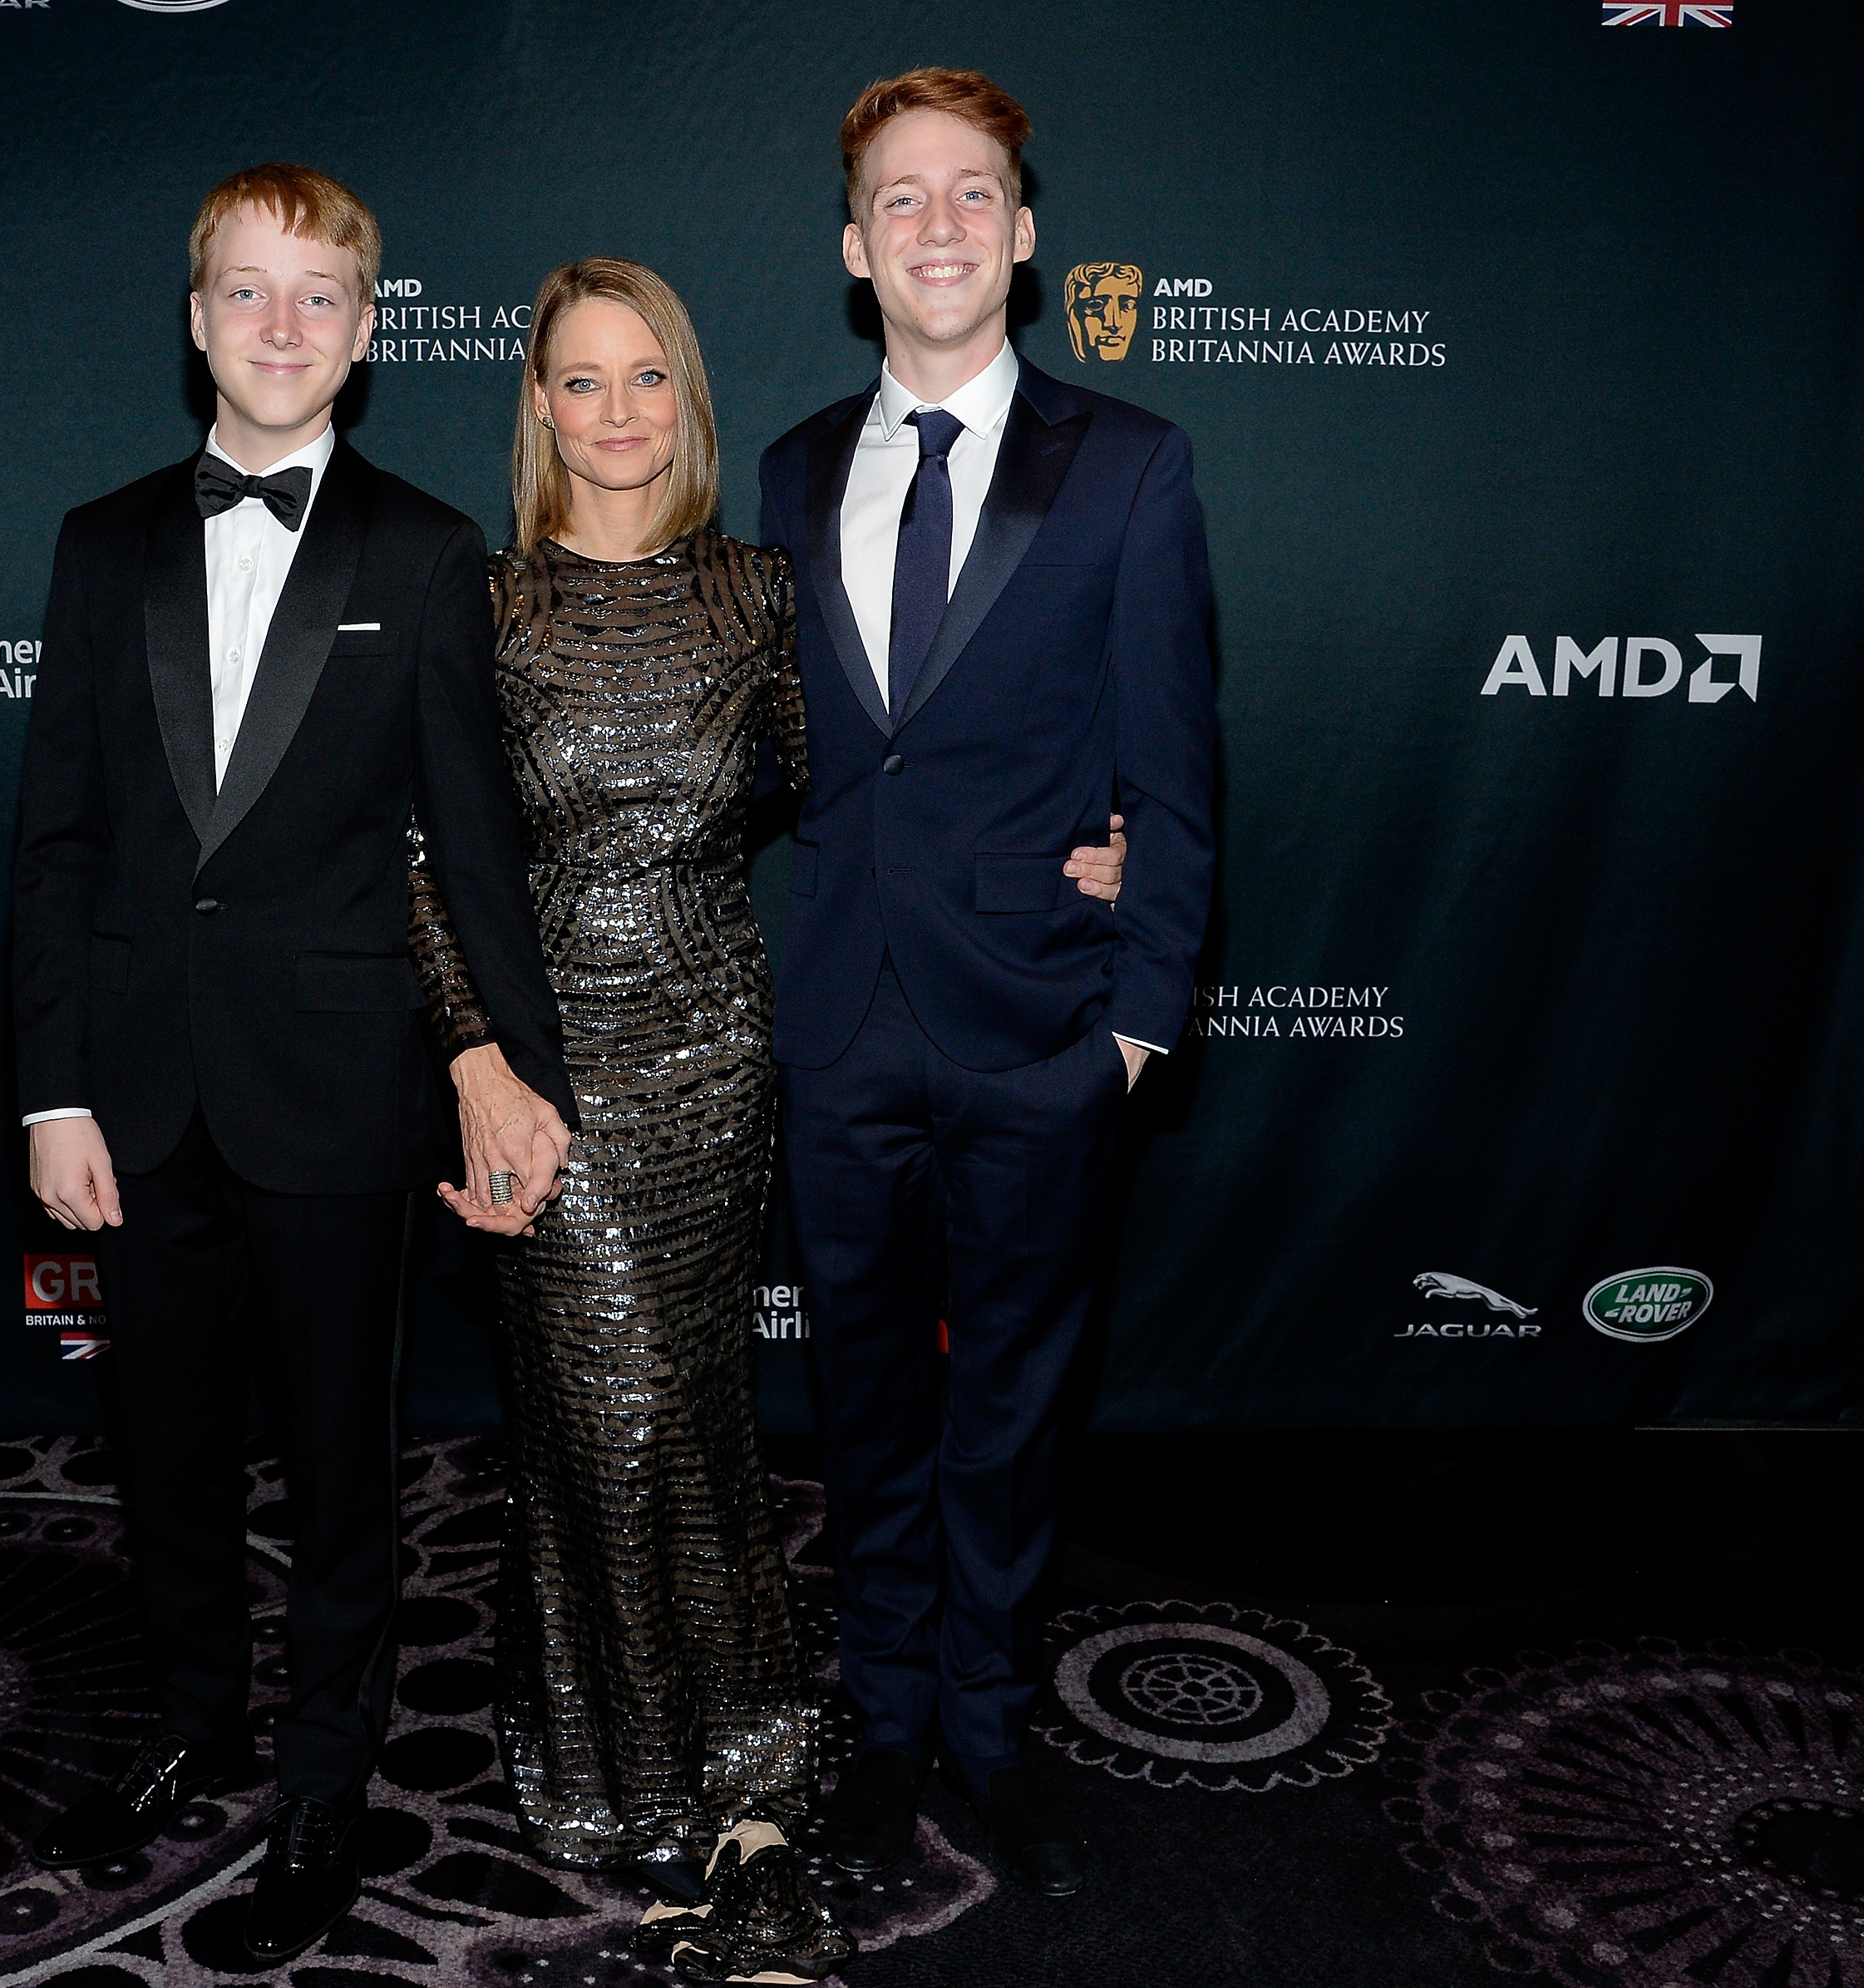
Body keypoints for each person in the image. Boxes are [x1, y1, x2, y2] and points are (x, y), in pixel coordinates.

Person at [411, 259, 1124, 1975]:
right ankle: (630, 1762)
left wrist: (1083, 836)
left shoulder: (755, 594)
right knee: (609, 1414)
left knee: (701, 1411)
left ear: (688, 397)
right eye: (579, 382)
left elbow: (897, 772)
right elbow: (431, 855)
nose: (617, 413)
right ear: (538, 407)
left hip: (723, 1051)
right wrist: (476, 1062)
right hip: (544, 1057)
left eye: (646, 376)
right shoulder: (483, 604)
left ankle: (734, 1747)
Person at [9, 162, 574, 1970]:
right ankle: (196, 1717)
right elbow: (58, 839)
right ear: (196, 322)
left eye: (316, 295)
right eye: (244, 293)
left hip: (338, 1091)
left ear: (365, 328)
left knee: (341, 1467)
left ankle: (326, 1778)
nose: (278, 325)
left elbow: (471, 849)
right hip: (138, 1096)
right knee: (162, 1451)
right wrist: (51, 1089)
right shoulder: (101, 542)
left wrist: (514, 1081)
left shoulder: (421, 553)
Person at [757, 69, 1215, 1898]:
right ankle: (881, 1724)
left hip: (1043, 1029)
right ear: (851, 247)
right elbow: (795, 747)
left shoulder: (1131, 459)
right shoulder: (789, 468)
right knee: (865, 1401)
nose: (935, 225)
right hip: (845, 1018)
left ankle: (992, 1721)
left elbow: (1177, 770)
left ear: (1024, 235)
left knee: (1012, 1402)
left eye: (972, 195)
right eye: (898, 199)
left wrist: (1135, 1020)